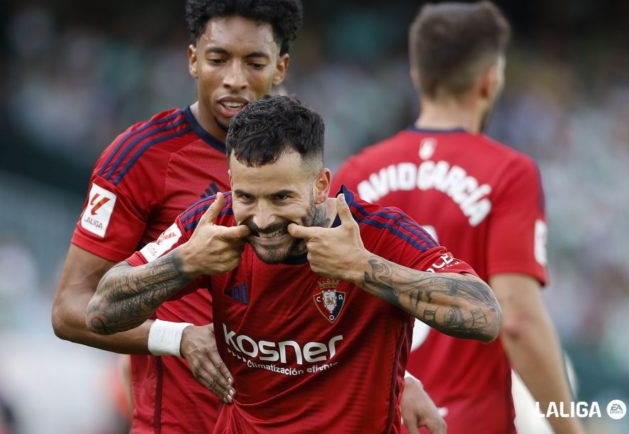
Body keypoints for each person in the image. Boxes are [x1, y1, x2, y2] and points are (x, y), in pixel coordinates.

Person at [85, 95, 502, 433]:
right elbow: (101, 311)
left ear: (320, 185)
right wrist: (185, 263)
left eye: (282, 198)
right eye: (247, 196)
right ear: (230, 181)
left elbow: (484, 316)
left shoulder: (374, 234)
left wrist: (363, 268)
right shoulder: (211, 225)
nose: (263, 220)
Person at [51, 0, 303, 433]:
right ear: (192, 60)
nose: (234, 79)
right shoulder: (141, 156)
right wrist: (177, 337)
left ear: (280, 67)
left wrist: (403, 376)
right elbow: (70, 309)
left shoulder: (301, 158)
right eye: (218, 58)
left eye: (254, 62)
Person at [332, 1, 583, 434]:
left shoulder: (355, 172)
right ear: (490, 79)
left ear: (417, 76)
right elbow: (518, 319)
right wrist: (570, 429)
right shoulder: (508, 172)